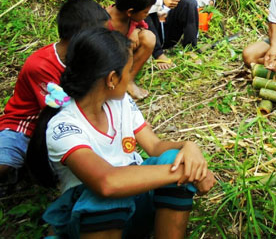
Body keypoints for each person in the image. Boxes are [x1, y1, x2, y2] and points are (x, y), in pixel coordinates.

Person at [26, 27, 216, 238]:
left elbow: (154, 146)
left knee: (174, 159)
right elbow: (108, 183)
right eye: (129, 70)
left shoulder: (121, 103)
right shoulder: (64, 126)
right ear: (111, 79)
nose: (130, 78)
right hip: (89, 220)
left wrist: (188, 147)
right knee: (107, 198)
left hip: (132, 204)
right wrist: (186, 173)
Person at [0, 0, 109, 194]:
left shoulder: (86, 58)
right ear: (79, 36)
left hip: (60, 124)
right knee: (3, 163)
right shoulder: (40, 65)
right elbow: (58, 111)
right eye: (99, 33)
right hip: (25, 127)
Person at [106, 0, 156, 100]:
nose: (147, 15)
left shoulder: (131, 17)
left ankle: (128, 80)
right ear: (130, 12)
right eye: (145, 12)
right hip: (107, 61)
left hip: (125, 59)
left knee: (149, 37)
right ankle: (115, 83)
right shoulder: (104, 21)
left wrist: (136, 30)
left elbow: (143, 25)